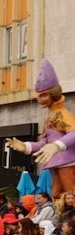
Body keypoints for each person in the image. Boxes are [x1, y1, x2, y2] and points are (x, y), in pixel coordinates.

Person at [7, 58, 75, 197]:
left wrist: (56, 146)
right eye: (38, 96)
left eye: (44, 95)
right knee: (57, 195)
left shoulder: (62, 114)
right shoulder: (51, 116)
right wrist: (26, 146)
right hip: (58, 162)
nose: (40, 99)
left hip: (68, 162)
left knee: (70, 194)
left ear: (54, 93)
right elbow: (45, 143)